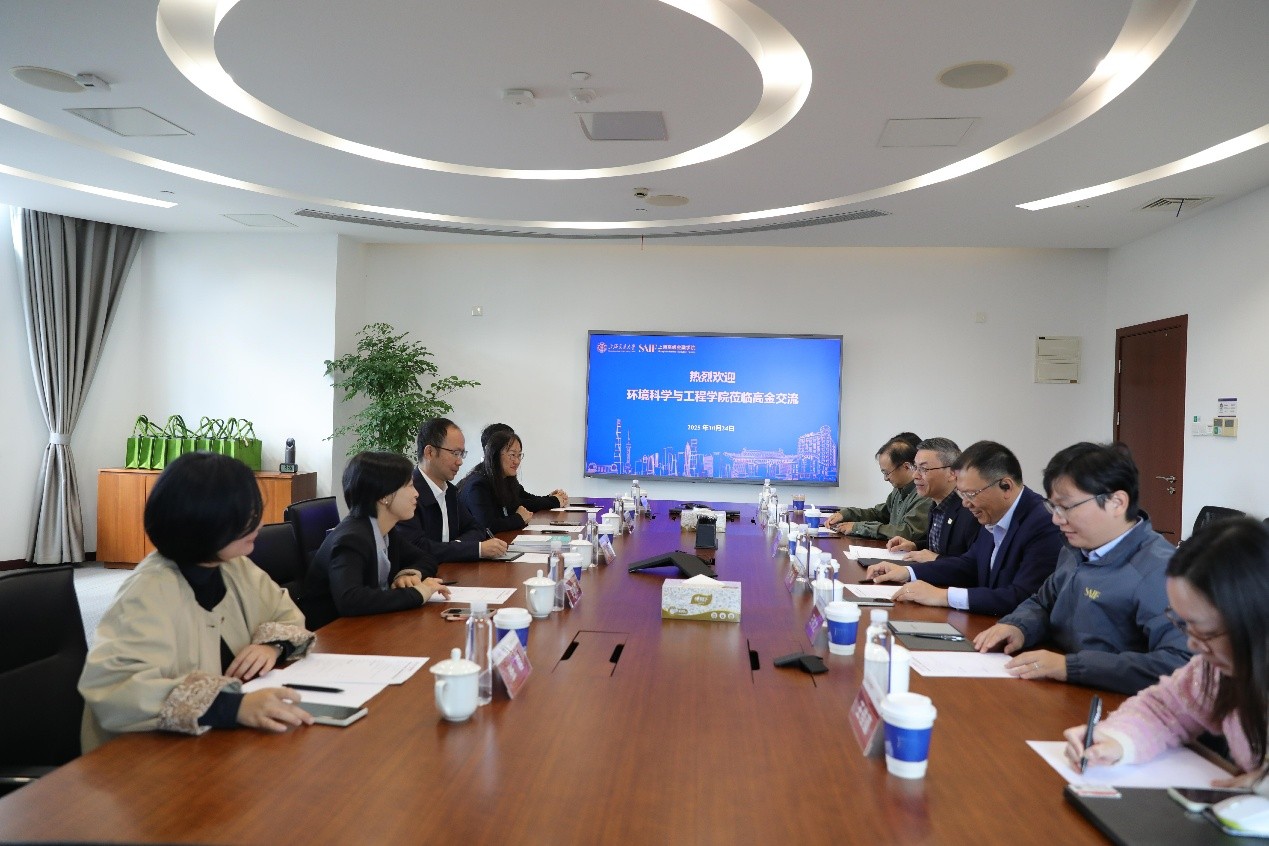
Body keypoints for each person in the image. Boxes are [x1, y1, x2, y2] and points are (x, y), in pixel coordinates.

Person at [79, 452, 316, 752]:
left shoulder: (235, 566)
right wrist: (233, 707)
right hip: (146, 758)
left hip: (216, 743)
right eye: (246, 515)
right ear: (204, 520)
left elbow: (285, 613)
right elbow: (116, 690)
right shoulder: (147, 592)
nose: (258, 524)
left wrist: (271, 645)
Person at [1064, 518, 1269, 789]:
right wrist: (1117, 741)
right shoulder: (1215, 670)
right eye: (1184, 625)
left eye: (1205, 632)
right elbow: (1163, 709)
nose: (1192, 645)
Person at [973, 442, 1190, 694]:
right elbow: (1044, 602)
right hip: (1063, 688)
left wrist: (1071, 667)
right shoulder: (1075, 549)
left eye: (1066, 507)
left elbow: (1180, 663)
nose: (1056, 519)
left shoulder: (1160, 571)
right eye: (1053, 507)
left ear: (1117, 502)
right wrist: (1018, 626)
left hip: (1117, 701)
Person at [865, 440, 1062, 616]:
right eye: (962, 494)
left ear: (1006, 486)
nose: (966, 503)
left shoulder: (1044, 523)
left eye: (971, 494)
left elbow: (1023, 597)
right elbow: (970, 564)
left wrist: (944, 596)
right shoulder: (992, 514)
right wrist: (907, 572)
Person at [300, 451, 449, 630]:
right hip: (332, 634)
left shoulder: (385, 531)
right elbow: (350, 600)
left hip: (368, 625)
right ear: (384, 496)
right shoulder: (351, 540)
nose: (416, 494)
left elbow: (426, 558)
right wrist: (418, 593)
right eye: (409, 486)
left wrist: (409, 574)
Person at [396, 418, 508, 562]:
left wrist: (456, 547)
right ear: (429, 452)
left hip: (450, 570)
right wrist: (475, 549)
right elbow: (417, 548)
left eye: (462, 454)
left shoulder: (449, 491)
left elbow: (476, 528)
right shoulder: (406, 494)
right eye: (455, 453)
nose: (460, 461)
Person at [885, 437, 980, 562]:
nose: (915, 475)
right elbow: (942, 546)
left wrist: (937, 559)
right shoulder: (936, 504)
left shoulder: (970, 511)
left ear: (952, 473)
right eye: (915, 467)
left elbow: (974, 565)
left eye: (923, 469)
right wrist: (915, 545)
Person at [825, 434, 931, 544]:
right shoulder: (899, 490)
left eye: (887, 473)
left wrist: (858, 527)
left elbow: (907, 532)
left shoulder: (924, 494)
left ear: (906, 467)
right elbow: (879, 514)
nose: (885, 478)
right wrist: (846, 514)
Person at [458, 429, 558, 533]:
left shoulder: (507, 479)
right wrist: (519, 518)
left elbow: (522, 503)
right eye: (512, 455)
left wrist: (550, 498)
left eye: (519, 455)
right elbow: (487, 527)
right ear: (495, 455)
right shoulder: (478, 485)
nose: (517, 461)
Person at [480, 422, 569, 507]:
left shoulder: (506, 476)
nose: (516, 461)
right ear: (493, 449)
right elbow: (518, 504)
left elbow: (526, 498)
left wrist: (550, 497)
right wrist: (554, 501)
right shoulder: (480, 483)